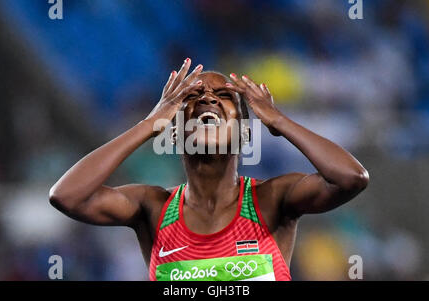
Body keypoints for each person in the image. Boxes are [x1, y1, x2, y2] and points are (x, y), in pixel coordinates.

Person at [49, 58, 369, 281]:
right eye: (194, 96)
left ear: (244, 132)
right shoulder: (153, 208)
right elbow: (67, 196)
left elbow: (351, 178)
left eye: (223, 96)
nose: (208, 99)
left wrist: (279, 121)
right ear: (175, 132)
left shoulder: (272, 199)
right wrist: (149, 124)